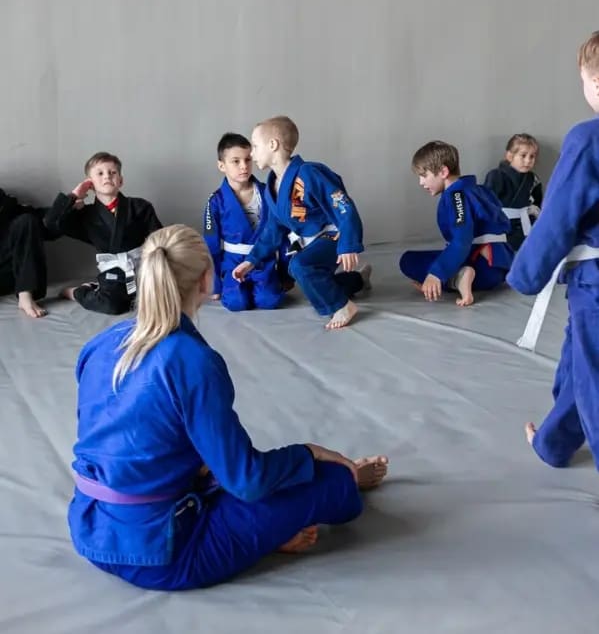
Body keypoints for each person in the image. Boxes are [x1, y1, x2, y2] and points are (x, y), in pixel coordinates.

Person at [68, 224, 389, 590]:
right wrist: (310, 453)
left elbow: (117, 436)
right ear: (207, 279)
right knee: (332, 481)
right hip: (163, 554)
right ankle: (340, 484)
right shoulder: (192, 360)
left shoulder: (100, 344)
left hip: (90, 530)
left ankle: (267, 527)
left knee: (223, 469)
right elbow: (247, 480)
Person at [508, 31, 599, 468]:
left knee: (594, 374)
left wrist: (526, 273)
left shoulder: (588, 139)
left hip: (596, 284)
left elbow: (558, 216)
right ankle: (554, 442)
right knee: (579, 360)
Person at [232, 117, 371, 330]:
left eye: (255, 146)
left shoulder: (310, 173)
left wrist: (348, 244)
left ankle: (343, 306)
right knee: (309, 279)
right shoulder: (272, 186)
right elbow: (273, 229)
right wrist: (251, 261)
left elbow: (343, 206)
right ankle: (357, 280)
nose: (252, 153)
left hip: (335, 234)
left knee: (301, 266)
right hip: (310, 241)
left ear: (273, 145)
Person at [45, 152, 162, 314]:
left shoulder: (140, 206)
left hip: (143, 267)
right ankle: (77, 292)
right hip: (113, 272)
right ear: (90, 184)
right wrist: (73, 196)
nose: (107, 176)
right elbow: (51, 223)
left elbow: (159, 239)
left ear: (120, 180)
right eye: (100, 173)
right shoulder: (85, 215)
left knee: (160, 300)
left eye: (112, 172)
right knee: (111, 305)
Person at [399, 141, 513, 307]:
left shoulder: (456, 196)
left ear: (443, 172)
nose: (421, 182)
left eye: (424, 175)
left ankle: (458, 279)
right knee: (428, 258)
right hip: (501, 268)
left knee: (408, 261)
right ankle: (457, 276)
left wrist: (436, 274)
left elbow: (461, 240)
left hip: (482, 269)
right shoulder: (478, 189)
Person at [203, 132, 289, 311]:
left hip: (263, 261)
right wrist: (214, 285)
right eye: (235, 161)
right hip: (233, 262)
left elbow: (281, 234)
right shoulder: (216, 201)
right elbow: (211, 245)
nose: (244, 166)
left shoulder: (268, 193)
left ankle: (268, 284)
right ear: (221, 165)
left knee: (269, 300)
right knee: (236, 302)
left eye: (248, 159)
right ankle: (231, 286)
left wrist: (285, 274)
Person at [0, 187, 54, 318]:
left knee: (27, 221)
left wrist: (69, 203)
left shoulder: (7, 204)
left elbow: (43, 224)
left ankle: (25, 295)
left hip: (9, 276)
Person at [484, 134, 543, 250]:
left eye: (532, 156)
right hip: (502, 228)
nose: (528, 161)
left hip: (526, 227)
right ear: (510, 156)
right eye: (523, 155)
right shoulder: (496, 176)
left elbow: (538, 202)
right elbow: (487, 205)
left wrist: (535, 212)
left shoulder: (533, 179)